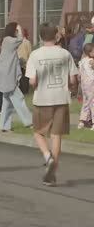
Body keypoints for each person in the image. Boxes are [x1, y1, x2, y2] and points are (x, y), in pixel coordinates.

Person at [26, 22, 78, 186]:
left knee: (38, 132)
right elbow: (72, 79)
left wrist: (36, 85)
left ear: (41, 37)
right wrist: (71, 87)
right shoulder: (65, 54)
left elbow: (32, 81)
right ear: (56, 36)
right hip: (61, 98)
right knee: (56, 135)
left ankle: (47, 157)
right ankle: (52, 172)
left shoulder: (35, 55)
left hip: (42, 98)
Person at [0, 23, 33, 132]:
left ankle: (4, 126)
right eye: (17, 29)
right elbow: (20, 39)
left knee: (7, 102)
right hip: (9, 77)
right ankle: (29, 122)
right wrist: (20, 29)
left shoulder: (6, 41)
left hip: (6, 76)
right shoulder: (8, 40)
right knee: (19, 99)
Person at [78, 43, 94, 130]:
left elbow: (79, 75)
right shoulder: (91, 61)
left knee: (86, 102)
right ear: (89, 52)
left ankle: (82, 121)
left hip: (84, 85)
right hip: (91, 84)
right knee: (93, 102)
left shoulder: (82, 61)